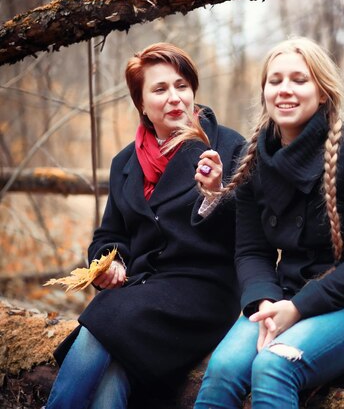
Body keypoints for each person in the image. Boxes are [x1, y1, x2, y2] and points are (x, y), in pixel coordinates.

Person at [193, 36, 344, 409]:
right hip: (283, 298)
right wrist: (266, 303)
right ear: (264, 91)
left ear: (322, 92)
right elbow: (251, 250)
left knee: (275, 365)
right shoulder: (251, 157)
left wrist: (298, 309)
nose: (285, 90)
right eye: (275, 81)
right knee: (224, 368)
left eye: (299, 80)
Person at [45, 42, 244, 409]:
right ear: (141, 104)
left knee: (103, 318)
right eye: (160, 89)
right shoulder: (125, 162)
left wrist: (216, 193)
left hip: (205, 292)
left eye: (181, 86)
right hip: (142, 293)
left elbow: (250, 234)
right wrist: (111, 262)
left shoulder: (227, 145)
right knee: (114, 373)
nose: (175, 98)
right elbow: (108, 236)